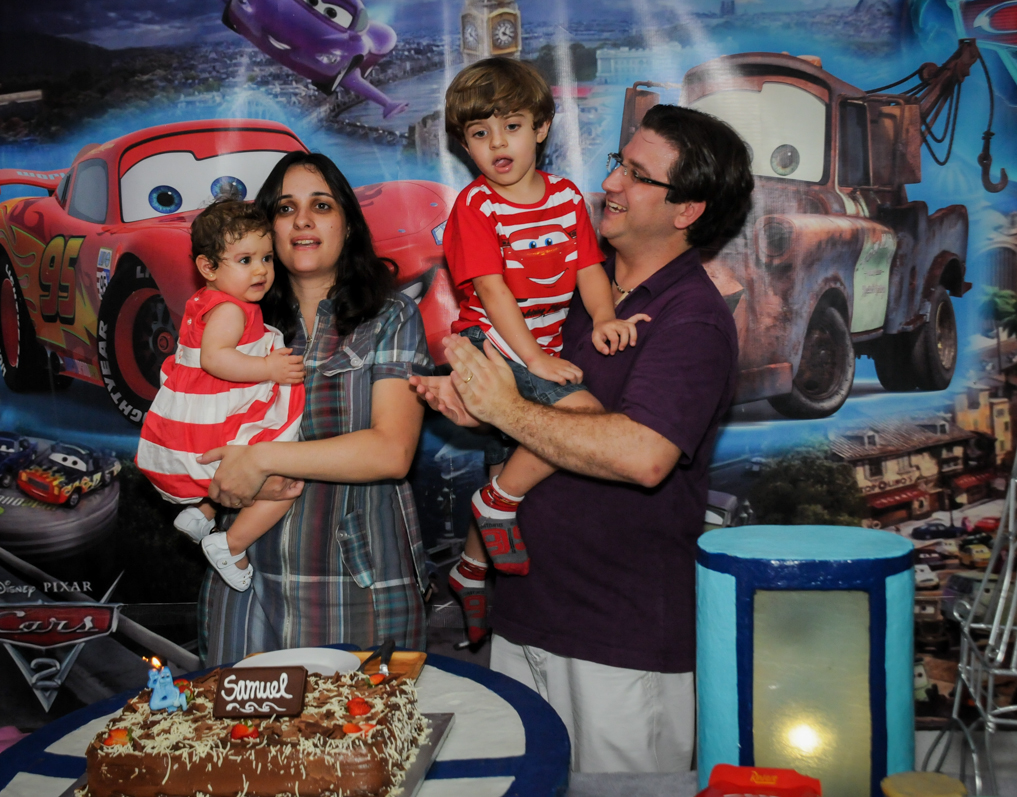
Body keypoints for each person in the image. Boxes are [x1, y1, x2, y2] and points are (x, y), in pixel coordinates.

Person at [413, 104, 754, 772]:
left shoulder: (692, 320)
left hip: (619, 642)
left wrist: (507, 411)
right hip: (525, 621)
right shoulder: (574, 292)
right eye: (617, 164)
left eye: (637, 174)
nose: (612, 184)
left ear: (687, 210)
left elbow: (644, 454)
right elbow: (548, 422)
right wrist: (475, 405)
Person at [195, 152, 433, 664]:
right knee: (242, 744)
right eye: (285, 209)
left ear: (347, 225)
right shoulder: (234, 326)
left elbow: (391, 452)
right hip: (245, 583)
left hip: (357, 584)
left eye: (320, 205)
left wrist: (260, 459)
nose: (302, 220)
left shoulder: (390, 316)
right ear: (267, 231)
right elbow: (196, 438)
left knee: (359, 744)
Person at [441, 57, 647, 642]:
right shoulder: (477, 207)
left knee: (538, 443)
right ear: (465, 146)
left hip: (540, 344)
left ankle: (470, 569)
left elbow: (588, 267)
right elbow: (492, 290)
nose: (496, 142)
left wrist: (606, 316)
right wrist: (533, 361)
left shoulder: (564, 198)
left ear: (541, 127)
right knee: (580, 420)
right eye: (480, 134)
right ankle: (495, 501)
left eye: (510, 125)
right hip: (491, 343)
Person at [137, 199, 306, 593]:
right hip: (216, 414)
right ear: (208, 267)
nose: (262, 269)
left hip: (200, 411)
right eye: (245, 260)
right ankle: (231, 544)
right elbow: (215, 359)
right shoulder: (230, 310)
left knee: (230, 472)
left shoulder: (207, 302)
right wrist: (268, 369)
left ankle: (202, 512)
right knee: (284, 480)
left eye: (266, 257)